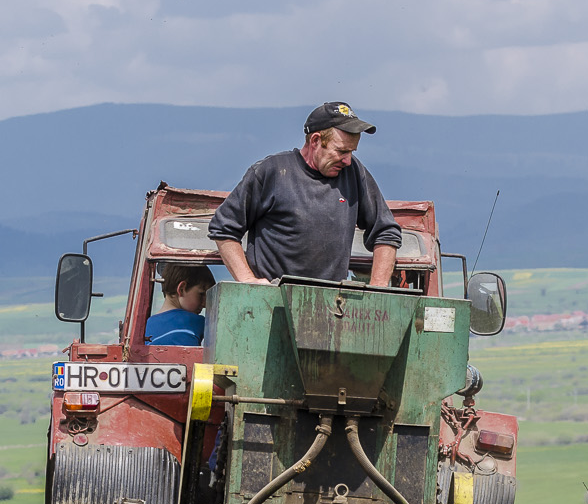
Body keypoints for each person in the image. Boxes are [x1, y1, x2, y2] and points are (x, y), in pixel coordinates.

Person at [209, 102, 403, 287]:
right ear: (316, 140)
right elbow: (224, 227)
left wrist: (378, 287)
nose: (347, 160)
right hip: (271, 304)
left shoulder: (354, 174)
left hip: (331, 305)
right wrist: (247, 281)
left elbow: (386, 231)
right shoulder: (272, 172)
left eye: (352, 151)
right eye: (341, 151)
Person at [144, 262, 215, 345]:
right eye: (201, 294)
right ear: (181, 289)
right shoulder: (196, 322)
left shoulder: (147, 324)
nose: (205, 304)